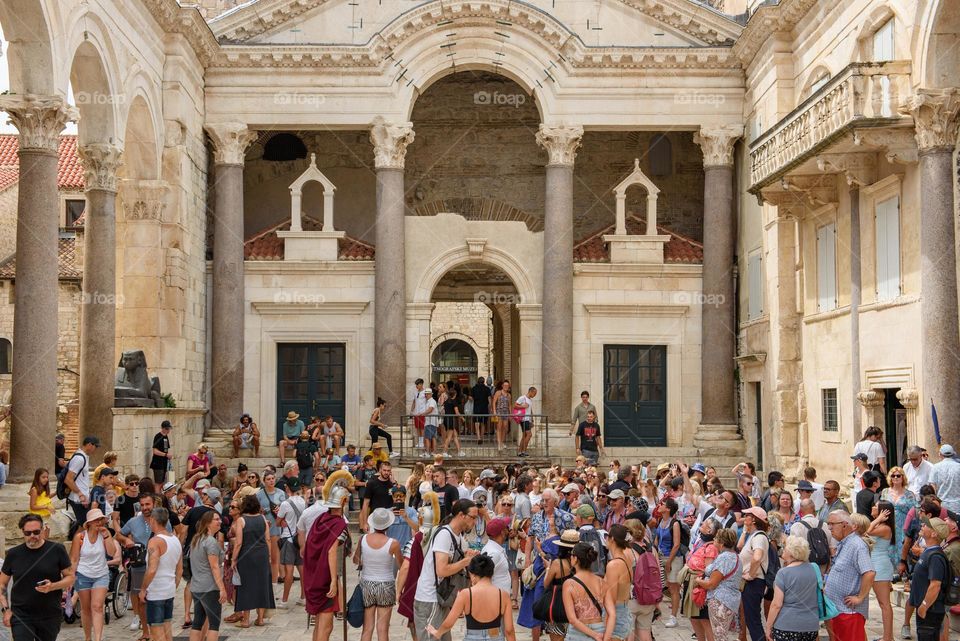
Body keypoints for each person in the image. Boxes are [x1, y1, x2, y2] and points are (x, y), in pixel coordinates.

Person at [0, 514, 74, 641]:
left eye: (36, 532)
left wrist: (53, 586)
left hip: (50, 614)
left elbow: (70, 577)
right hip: (21, 615)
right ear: (22, 532)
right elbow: (1, 584)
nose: (32, 536)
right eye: (28, 533)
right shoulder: (13, 554)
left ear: (42, 530)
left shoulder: (57, 549)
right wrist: (5, 610)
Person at [413, 499, 480, 641]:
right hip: (429, 599)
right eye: (473, 517)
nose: (475, 522)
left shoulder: (458, 537)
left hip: (441, 598)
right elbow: (441, 570)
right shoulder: (444, 535)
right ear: (461, 515)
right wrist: (465, 561)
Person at [303, 475, 352, 641]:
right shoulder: (339, 523)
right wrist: (333, 580)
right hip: (323, 578)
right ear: (343, 502)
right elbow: (331, 551)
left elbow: (309, 545)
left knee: (319, 625)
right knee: (326, 626)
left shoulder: (320, 519)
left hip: (312, 575)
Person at [426, 554, 516, 641]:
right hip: (496, 636)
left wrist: (438, 633)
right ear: (492, 573)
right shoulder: (503, 595)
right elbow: (509, 630)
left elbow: (449, 623)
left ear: (472, 574)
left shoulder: (466, 594)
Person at [823, 510, 876, 641]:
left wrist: (860, 597)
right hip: (839, 611)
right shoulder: (845, 543)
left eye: (832, 524)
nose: (829, 528)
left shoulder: (857, 545)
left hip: (849, 613)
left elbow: (869, 573)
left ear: (844, 525)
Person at [69, 509, 118, 641]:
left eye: (100, 519)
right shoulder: (79, 537)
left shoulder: (104, 534)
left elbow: (112, 552)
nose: (98, 522)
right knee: (86, 609)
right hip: (83, 574)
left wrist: (107, 536)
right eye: (95, 520)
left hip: (101, 574)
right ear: (89, 523)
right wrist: (70, 577)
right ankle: (87, 637)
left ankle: (97, 638)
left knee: (97, 606)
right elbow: (73, 559)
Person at [355, 508, 402, 641]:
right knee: (382, 630)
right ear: (388, 524)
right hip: (386, 585)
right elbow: (401, 564)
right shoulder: (393, 543)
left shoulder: (363, 539)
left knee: (367, 629)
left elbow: (356, 560)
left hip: (367, 584)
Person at [764, 535, 820, 641]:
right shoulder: (813, 569)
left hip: (787, 625)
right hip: (810, 625)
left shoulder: (783, 573)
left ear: (791, 552)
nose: (783, 550)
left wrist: (768, 626)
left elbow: (776, 604)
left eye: (785, 548)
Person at [231, 494, 275, 627]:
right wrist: (268, 555)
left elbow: (238, 543)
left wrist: (234, 559)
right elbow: (268, 539)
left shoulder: (241, 520)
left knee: (245, 586)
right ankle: (260, 619)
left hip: (247, 555)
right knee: (262, 584)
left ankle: (245, 620)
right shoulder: (262, 518)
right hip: (261, 554)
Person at [141, 507, 183, 641]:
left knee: (156, 631)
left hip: (156, 591)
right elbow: (179, 570)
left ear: (153, 520)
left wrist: (143, 589)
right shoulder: (175, 539)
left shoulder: (155, 541)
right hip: (169, 590)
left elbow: (152, 569)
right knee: (167, 628)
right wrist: (173, 586)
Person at [561, 541, 615, 641]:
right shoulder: (602, 582)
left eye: (572, 555)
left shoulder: (569, 584)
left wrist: (594, 635)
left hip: (577, 633)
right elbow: (612, 614)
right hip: (600, 629)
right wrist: (606, 637)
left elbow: (572, 619)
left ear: (576, 558)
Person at [188, 510, 227, 641]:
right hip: (209, 588)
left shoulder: (196, 539)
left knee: (197, 622)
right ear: (208, 523)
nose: (220, 521)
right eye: (216, 519)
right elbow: (214, 567)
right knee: (214, 624)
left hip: (196, 586)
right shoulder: (210, 542)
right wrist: (222, 588)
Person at [696, 527, 740, 641]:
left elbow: (712, 584)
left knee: (719, 636)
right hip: (730, 601)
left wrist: (699, 581)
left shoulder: (724, 558)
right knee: (721, 634)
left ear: (722, 543)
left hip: (720, 601)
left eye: (716, 538)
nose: (713, 540)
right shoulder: (735, 556)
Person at [909, 517, 950, 641]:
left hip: (930, 610)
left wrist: (924, 606)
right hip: (926, 608)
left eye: (927, 525)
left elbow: (935, 585)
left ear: (934, 533)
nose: (922, 525)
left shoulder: (935, 557)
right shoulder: (929, 552)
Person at [737, 506, 769, 641]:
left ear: (754, 520)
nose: (745, 518)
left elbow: (757, 557)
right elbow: (739, 547)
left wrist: (750, 574)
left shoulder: (759, 537)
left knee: (753, 619)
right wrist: (745, 531)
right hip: (751, 582)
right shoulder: (754, 535)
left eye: (748, 516)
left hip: (754, 582)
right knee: (751, 618)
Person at [866, 501, 896, 641]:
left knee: (884, 603)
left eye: (876, 507)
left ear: (884, 512)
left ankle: (888, 637)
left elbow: (868, 531)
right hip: (874, 564)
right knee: (881, 603)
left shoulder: (885, 527)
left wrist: (878, 519)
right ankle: (887, 636)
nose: (872, 507)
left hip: (880, 566)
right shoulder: (878, 525)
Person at [276, 478, 306, 609]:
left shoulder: (285, 504)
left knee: (289, 571)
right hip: (300, 539)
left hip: (288, 539)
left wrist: (281, 519)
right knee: (302, 570)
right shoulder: (303, 501)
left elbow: (278, 522)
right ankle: (303, 597)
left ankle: (284, 600)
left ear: (287, 488)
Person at [63, 435, 101, 538]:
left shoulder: (83, 456)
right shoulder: (79, 458)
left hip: (81, 498)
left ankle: (78, 548)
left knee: (84, 525)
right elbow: (68, 479)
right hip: (77, 499)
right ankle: (75, 549)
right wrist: (80, 494)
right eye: (95, 446)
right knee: (85, 525)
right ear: (89, 444)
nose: (95, 449)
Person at [603, 524, 636, 641]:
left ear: (612, 539)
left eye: (607, 535)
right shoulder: (627, 560)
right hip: (624, 612)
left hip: (616, 618)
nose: (605, 538)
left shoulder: (614, 565)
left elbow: (610, 602)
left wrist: (605, 632)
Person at [654, 497, 683, 627]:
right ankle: (658, 612)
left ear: (668, 509)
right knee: (663, 586)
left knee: (673, 588)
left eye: (663, 504)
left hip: (673, 558)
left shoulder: (675, 523)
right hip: (661, 556)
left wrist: (668, 562)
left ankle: (673, 617)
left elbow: (676, 544)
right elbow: (657, 539)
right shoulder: (660, 520)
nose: (660, 505)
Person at [257, 470, 286, 583]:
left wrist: (280, 510)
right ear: (264, 481)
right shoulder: (259, 494)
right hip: (265, 526)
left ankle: (275, 581)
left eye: (273, 478)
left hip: (278, 527)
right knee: (269, 557)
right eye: (268, 479)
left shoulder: (281, 493)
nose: (271, 481)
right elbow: (255, 511)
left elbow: (286, 509)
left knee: (276, 557)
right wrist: (263, 511)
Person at [361, 460, 396, 532]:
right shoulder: (372, 483)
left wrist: (394, 484)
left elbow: (398, 500)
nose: (386, 472)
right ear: (380, 470)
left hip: (389, 519)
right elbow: (365, 503)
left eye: (388, 470)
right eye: (384, 470)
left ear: (391, 472)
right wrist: (365, 523)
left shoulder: (392, 484)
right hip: (375, 517)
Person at [481, 518, 512, 595]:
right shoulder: (494, 553)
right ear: (502, 532)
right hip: (495, 599)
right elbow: (482, 577)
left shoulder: (494, 549)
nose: (508, 531)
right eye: (506, 528)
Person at [932, 444, 960, 512]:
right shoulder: (958, 467)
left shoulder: (935, 467)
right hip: (957, 505)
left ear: (940, 454)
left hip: (942, 505)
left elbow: (933, 486)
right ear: (953, 454)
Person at [514, 386, 537, 458]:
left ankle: (520, 452)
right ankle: (524, 451)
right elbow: (515, 405)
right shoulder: (522, 398)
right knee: (529, 435)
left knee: (524, 435)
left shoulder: (530, 400)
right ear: (531, 391)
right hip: (524, 419)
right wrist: (523, 406)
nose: (535, 395)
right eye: (534, 393)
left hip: (528, 419)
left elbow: (530, 410)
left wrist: (532, 419)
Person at [471, 377, 491, 443]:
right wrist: (490, 407)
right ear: (484, 381)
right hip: (484, 408)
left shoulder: (474, 389)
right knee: (483, 423)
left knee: (477, 423)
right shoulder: (487, 389)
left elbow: (471, 398)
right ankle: (482, 437)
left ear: (477, 381)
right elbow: (489, 399)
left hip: (476, 408)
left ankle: (478, 437)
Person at [411, 378, 429, 450]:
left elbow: (428, 401)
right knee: (417, 427)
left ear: (421, 384)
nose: (416, 386)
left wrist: (426, 411)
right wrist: (411, 411)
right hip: (416, 413)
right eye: (416, 385)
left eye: (417, 385)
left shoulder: (425, 392)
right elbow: (414, 402)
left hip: (422, 413)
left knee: (422, 428)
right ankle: (419, 441)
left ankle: (423, 442)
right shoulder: (415, 393)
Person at [422, 388, 439, 458]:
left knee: (427, 438)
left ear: (430, 394)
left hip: (430, 422)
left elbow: (430, 409)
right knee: (433, 437)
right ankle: (433, 452)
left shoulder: (431, 401)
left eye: (426, 394)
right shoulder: (429, 401)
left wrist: (422, 414)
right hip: (431, 422)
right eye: (425, 394)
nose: (425, 395)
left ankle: (427, 452)